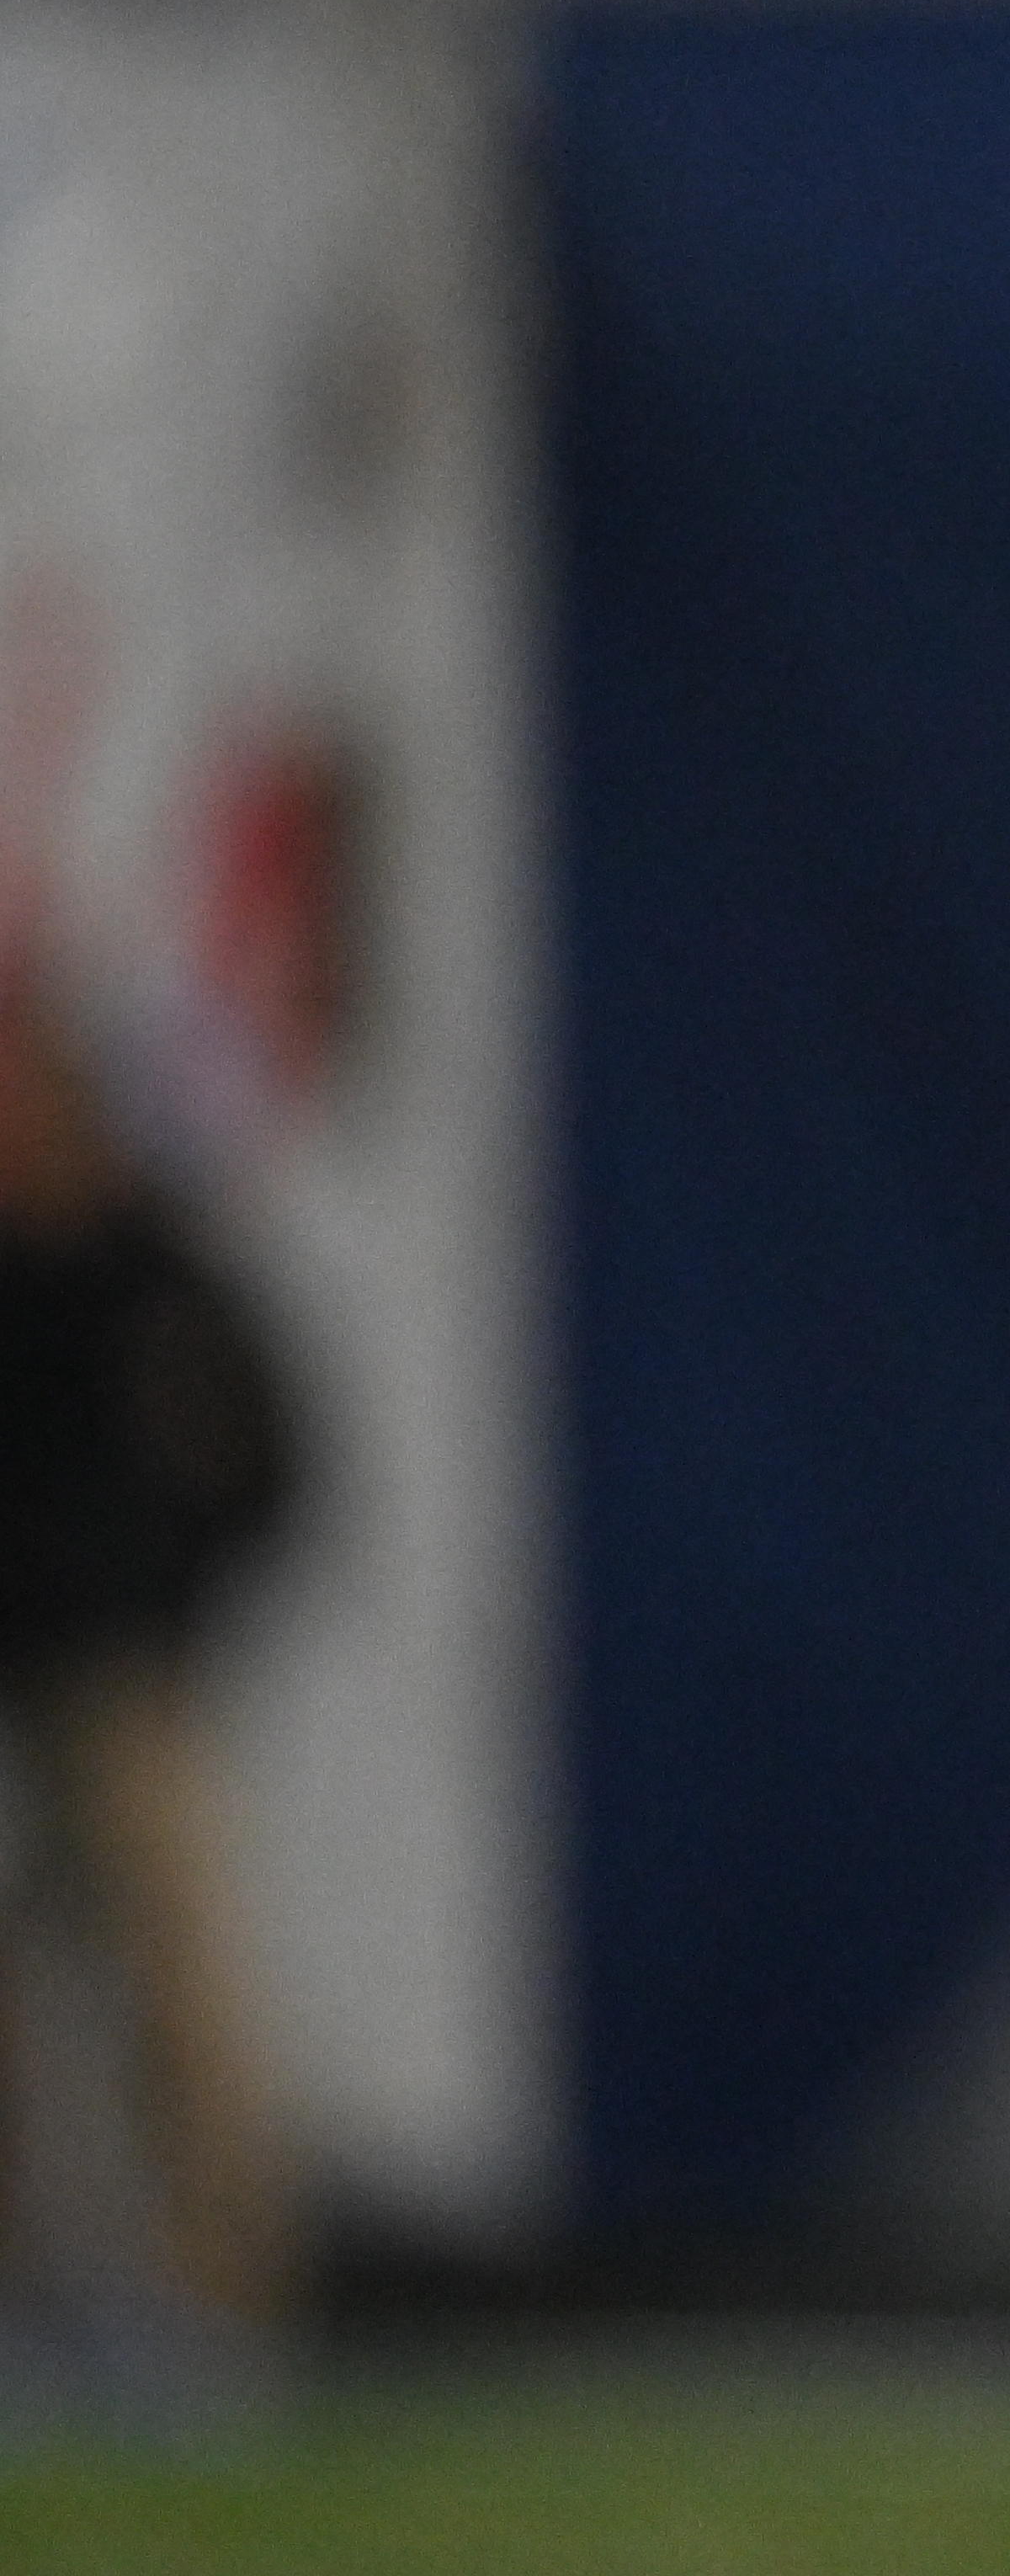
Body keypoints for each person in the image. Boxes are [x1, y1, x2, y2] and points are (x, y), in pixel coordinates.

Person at [0, 950, 300, 2336]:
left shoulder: (146, 1269)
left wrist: (162, 1598)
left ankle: (224, 2300)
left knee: (180, 1990)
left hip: (122, 1683)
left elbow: (267, 1463)